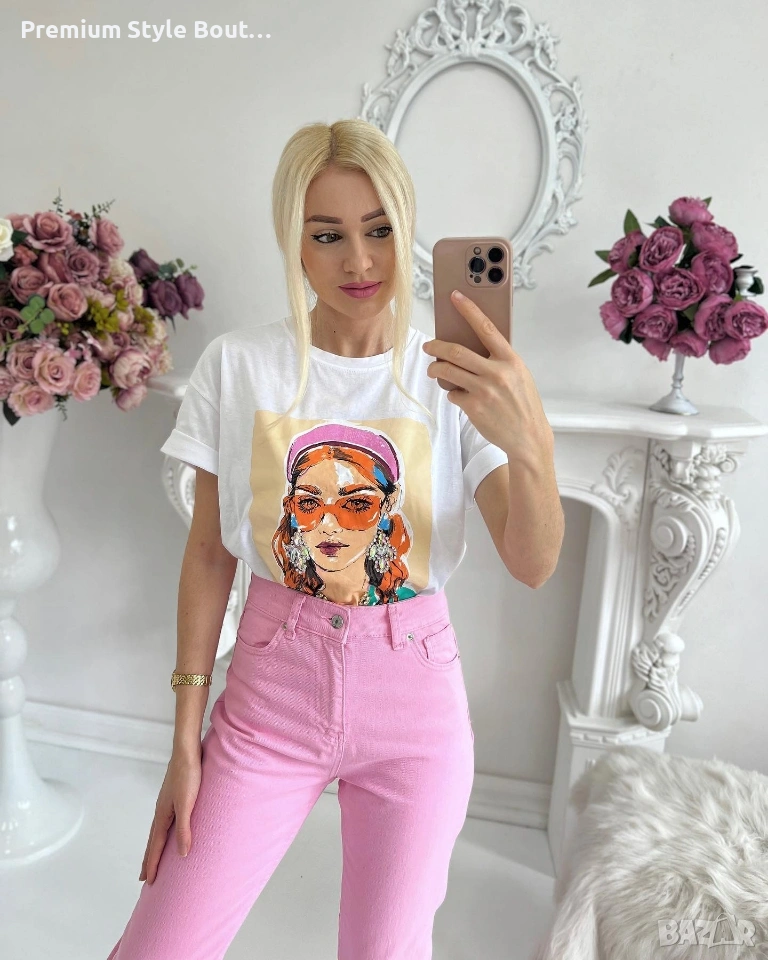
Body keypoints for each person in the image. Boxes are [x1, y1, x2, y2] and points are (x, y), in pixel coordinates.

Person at [105, 118, 515, 960]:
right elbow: (210, 554)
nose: (359, 261)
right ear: (293, 241)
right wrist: (184, 743)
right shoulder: (239, 365)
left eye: (380, 230)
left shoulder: (450, 376)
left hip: (415, 703)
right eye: (327, 235)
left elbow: (535, 560)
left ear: (407, 230)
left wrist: (526, 427)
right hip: (270, 697)